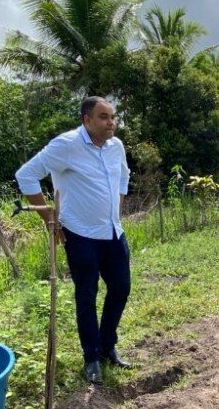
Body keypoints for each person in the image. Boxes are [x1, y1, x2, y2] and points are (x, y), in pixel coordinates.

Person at [15, 97, 133, 385]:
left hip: (113, 232)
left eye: (113, 117)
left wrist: (115, 209)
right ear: (87, 120)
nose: (111, 123)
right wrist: (50, 219)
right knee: (86, 294)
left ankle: (108, 346)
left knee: (121, 288)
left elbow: (123, 177)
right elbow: (26, 175)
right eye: (104, 117)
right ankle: (91, 357)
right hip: (80, 235)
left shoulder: (116, 146)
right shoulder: (66, 145)